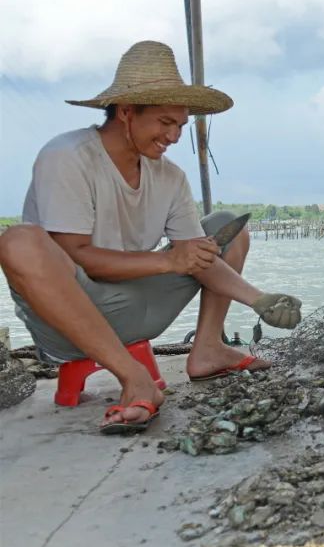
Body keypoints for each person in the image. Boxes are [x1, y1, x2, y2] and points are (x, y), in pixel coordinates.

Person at [0, 40, 303, 434]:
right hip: (71, 320)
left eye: (180, 124)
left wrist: (259, 299)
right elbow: (75, 256)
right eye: (164, 122)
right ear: (126, 112)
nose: (174, 136)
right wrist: (167, 260)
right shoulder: (68, 155)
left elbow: (199, 257)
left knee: (229, 225)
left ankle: (208, 349)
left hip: (138, 307)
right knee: (19, 241)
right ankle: (135, 378)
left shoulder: (170, 177)